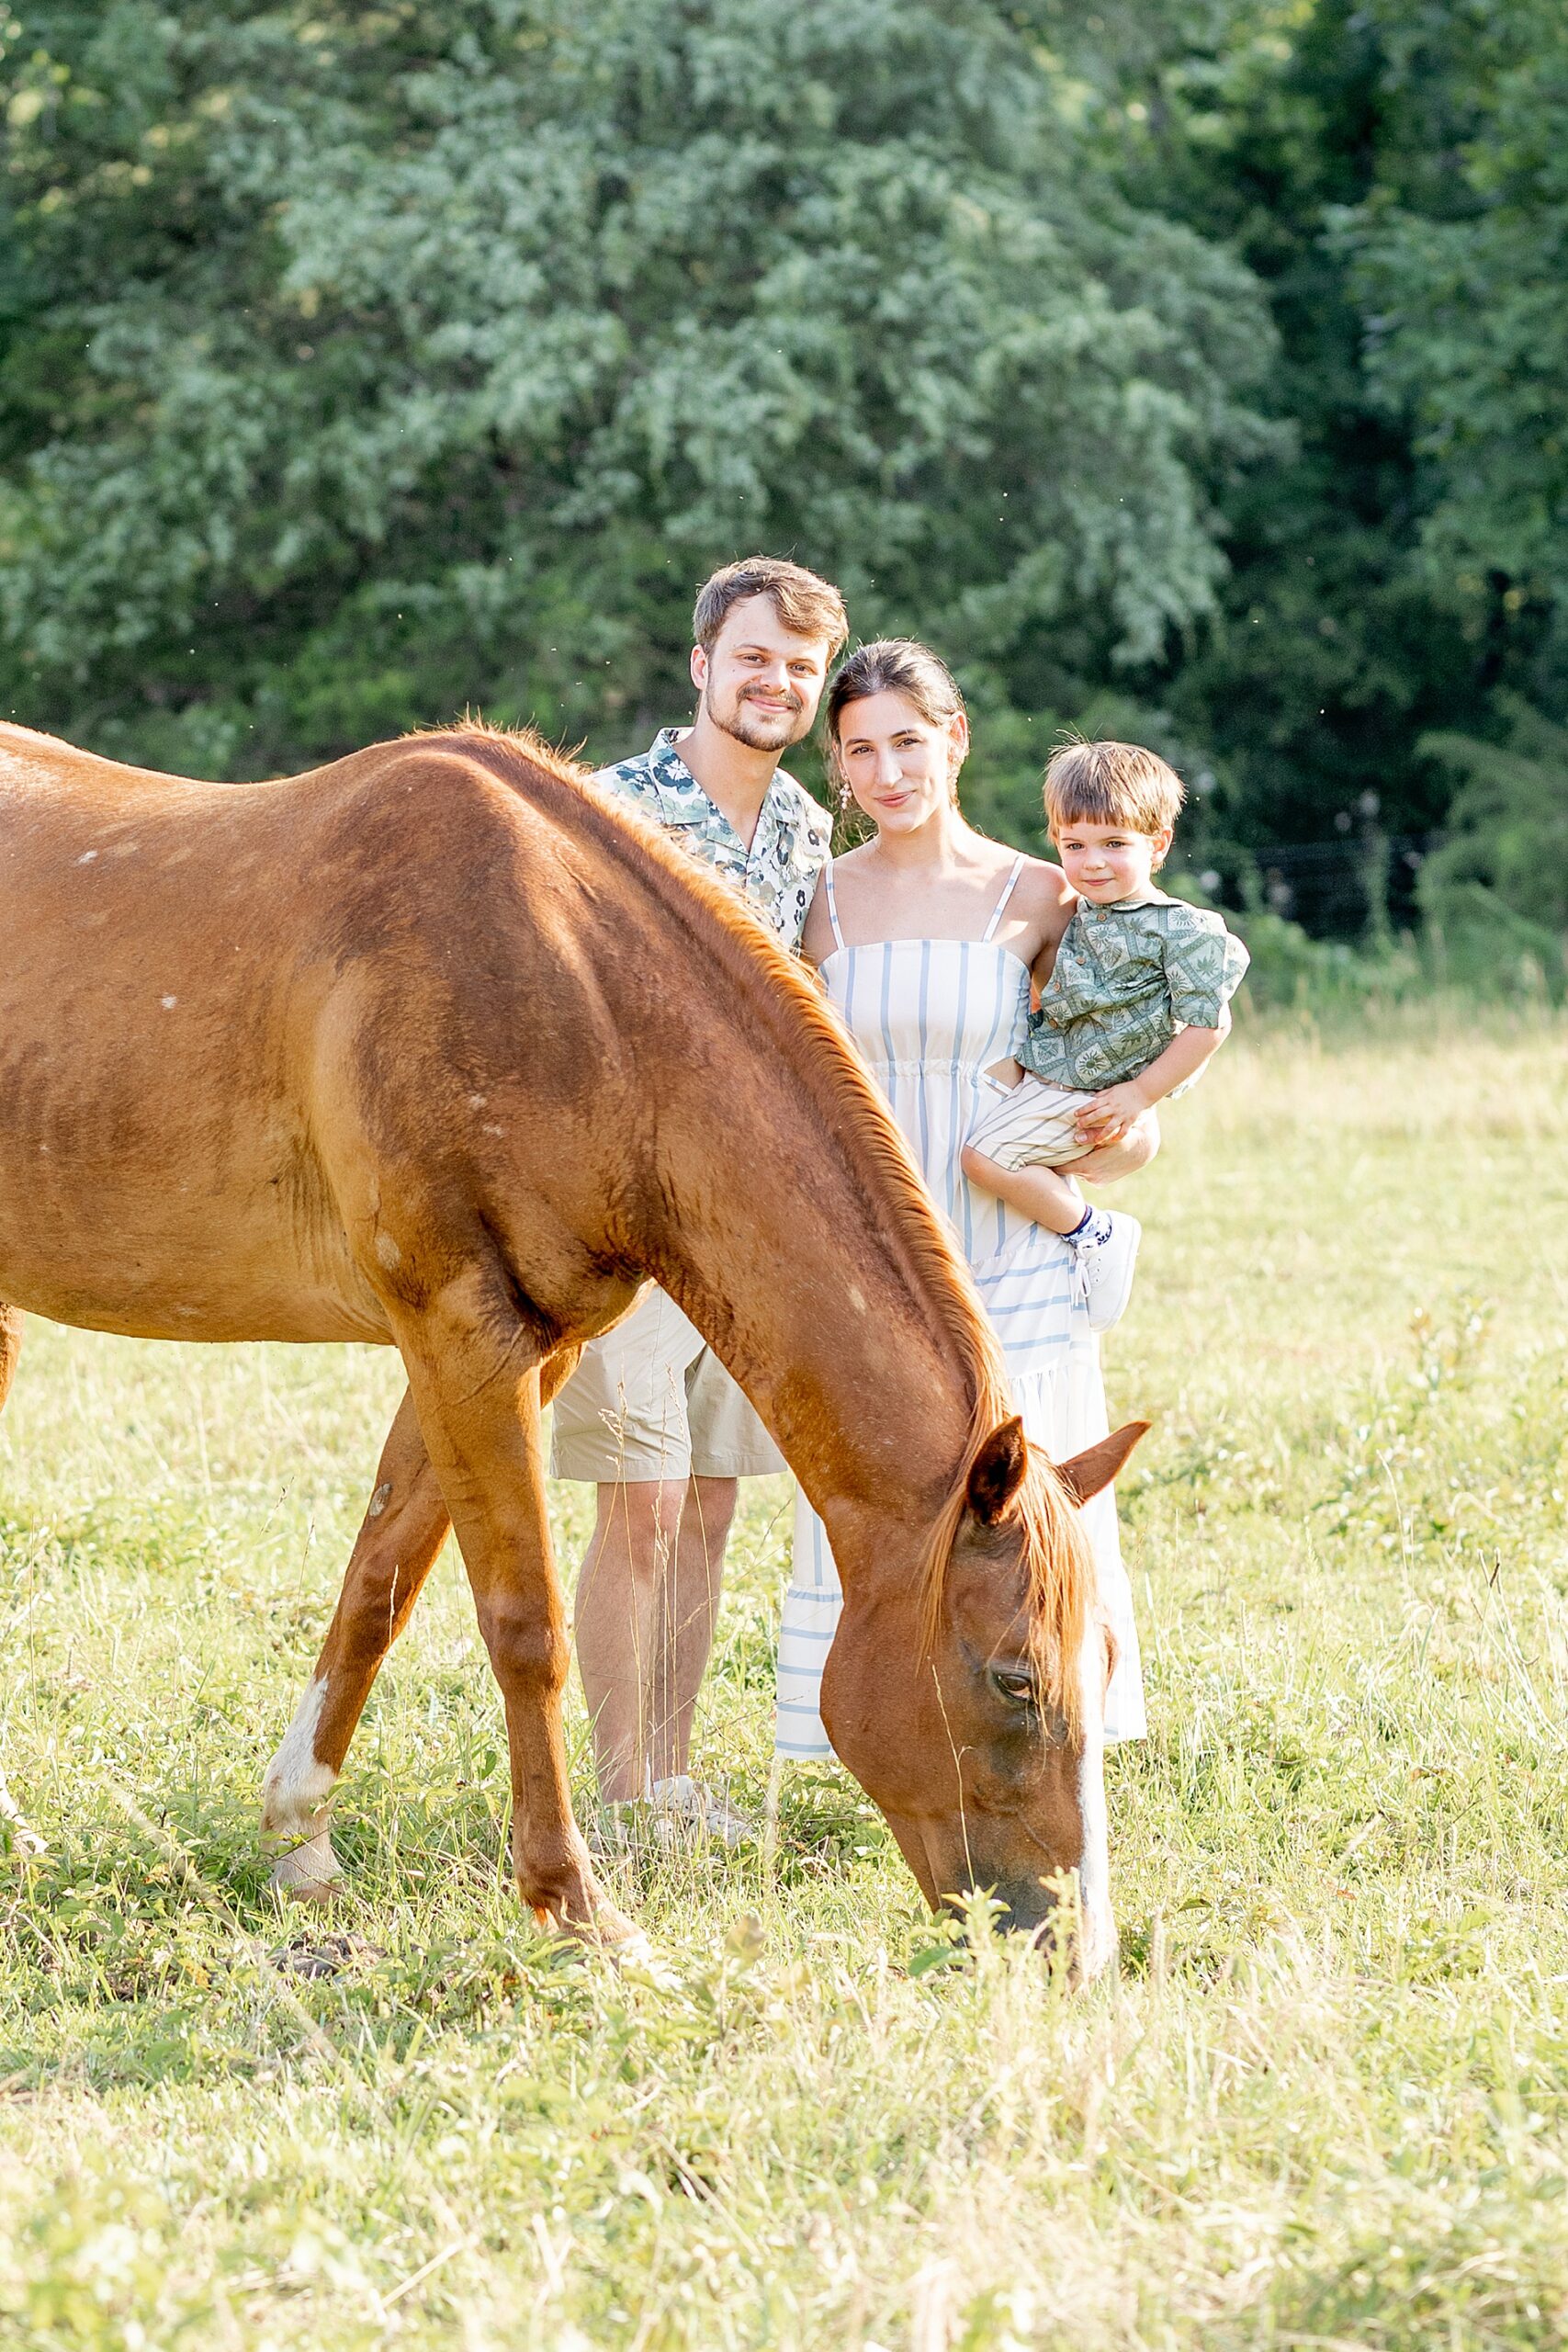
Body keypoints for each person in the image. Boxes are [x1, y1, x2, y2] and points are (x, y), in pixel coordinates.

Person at [775, 641, 1156, 1765]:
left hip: (1008, 1243)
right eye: (860, 751)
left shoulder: (1038, 892)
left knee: (1029, 1496)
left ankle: (1055, 1715)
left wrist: (1127, 1131)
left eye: (908, 740)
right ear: (838, 769)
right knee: (875, 1489)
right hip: (874, 1251)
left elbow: (1114, 1078)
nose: (888, 771)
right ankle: (881, 1733)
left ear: (955, 738)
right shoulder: (818, 905)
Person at [550, 555, 848, 1849]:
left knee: (717, 1496)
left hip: (739, 1223)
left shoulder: (800, 832)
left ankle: (670, 1777)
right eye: (752, 658)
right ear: (699, 666)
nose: (774, 682)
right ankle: (615, 1796)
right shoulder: (599, 811)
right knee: (643, 1498)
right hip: (623, 1211)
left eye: (797, 665)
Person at [961, 739, 1251, 1332]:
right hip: (1055, 1073)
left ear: (1158, 844)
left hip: (1091, 1094)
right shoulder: (1082, 914)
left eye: (1114, 844)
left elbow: (1208, 1025)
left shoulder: (1177, 928)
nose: (1092, 862)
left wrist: (1139, 1096)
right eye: (1074, 845)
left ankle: (1094, 1233)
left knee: (981, 1158)